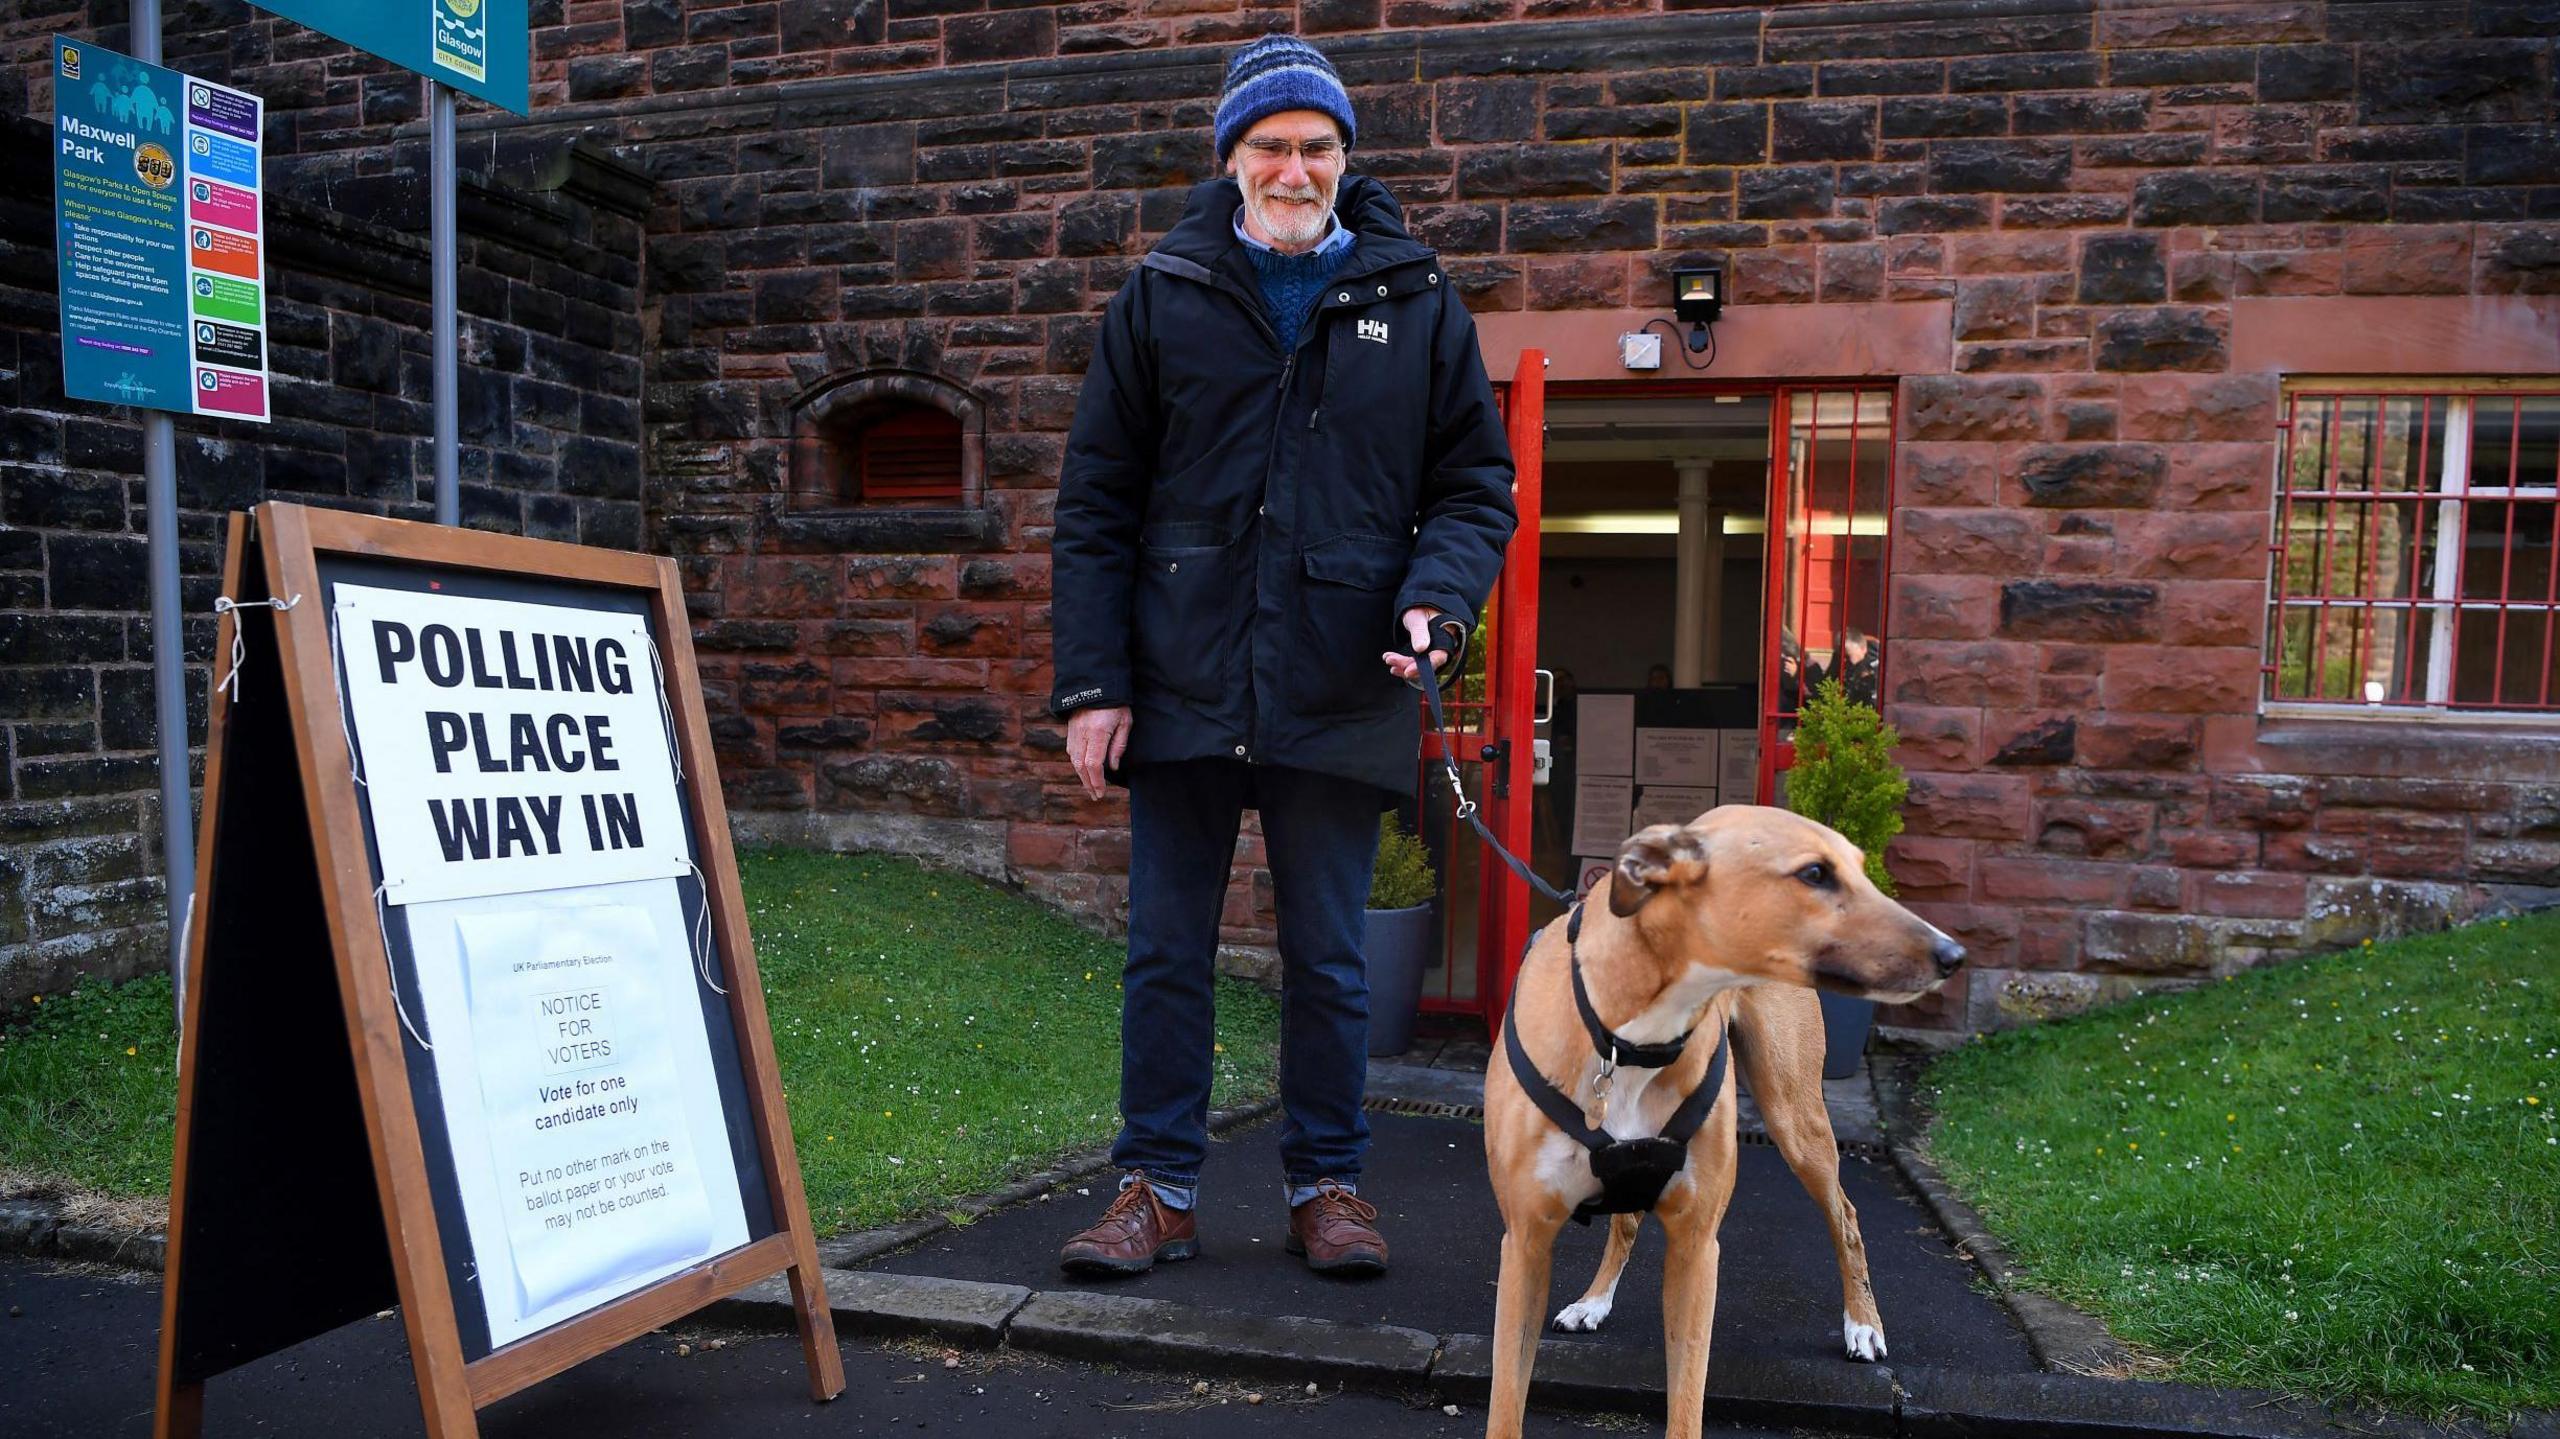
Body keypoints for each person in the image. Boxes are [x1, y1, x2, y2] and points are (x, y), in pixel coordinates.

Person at [1046, 35, 1518, 1279]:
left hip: (1340, 674)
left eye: (1316, 146)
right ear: (1231, 159)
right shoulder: (1160, 293)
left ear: (1344, 159)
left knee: (1328, 954)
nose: (1294, 167)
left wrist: (1437, 603)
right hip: (1182, 674)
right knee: (1163, 951)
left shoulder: (1416, 300)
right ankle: (1158, 1186)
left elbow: (1475, 486)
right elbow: (1095, 501)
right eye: (1271, 145)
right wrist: (1093, 684)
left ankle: (1327, 1184)